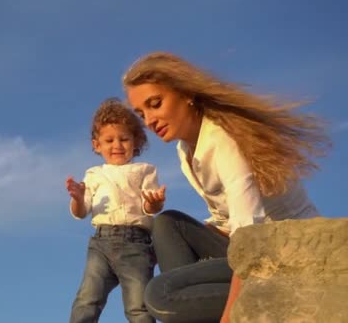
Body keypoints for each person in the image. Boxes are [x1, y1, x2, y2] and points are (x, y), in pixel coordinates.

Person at [123, 52, 330, 323]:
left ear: (186, 93)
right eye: (141, 113)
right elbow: (225, 220)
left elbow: (249, 229)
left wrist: (232, 313)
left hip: (287, 253)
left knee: (162, 293)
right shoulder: (185, 150)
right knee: (167, 225)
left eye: (155, 104)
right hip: (250, 245)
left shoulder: (224, 140)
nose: (149, 120)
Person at [66, 98, 167, 323]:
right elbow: (81, 211)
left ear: (136, 141)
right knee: (86, 301)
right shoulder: (93, 174)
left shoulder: (144, 170)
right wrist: (78, 198)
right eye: (109, 140)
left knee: (138, 307)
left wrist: (155, 202)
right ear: (97, 145)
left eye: (124, 139)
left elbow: (149, 208)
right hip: (101, 244)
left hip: (136, 245)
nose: (117, 146)